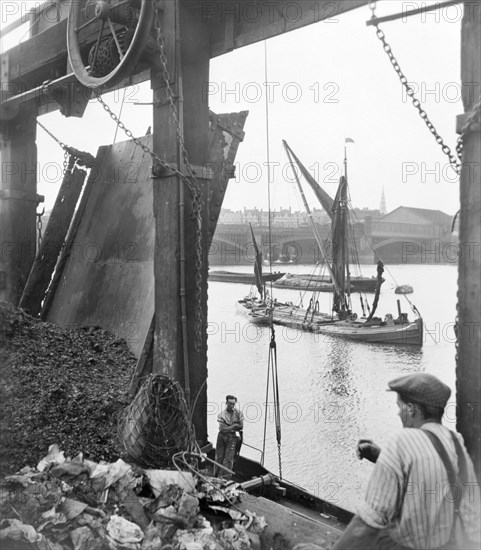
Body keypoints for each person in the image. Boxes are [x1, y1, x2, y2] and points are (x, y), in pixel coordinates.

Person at [333, 373, 480, 550]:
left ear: (411, 409)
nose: (398, 413)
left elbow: (368, 522)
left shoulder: (401, 441)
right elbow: (473, 518)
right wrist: (382, 457)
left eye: (399, 407)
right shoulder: (456, 443)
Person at [214, 394, 244, 479]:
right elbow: (223, 429)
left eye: (233, 404)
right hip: (222, 436)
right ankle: (216, 475)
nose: (232, 405)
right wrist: (234, 425)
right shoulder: (221, 415)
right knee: (219, 457)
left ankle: (226, 478)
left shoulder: (238, 413)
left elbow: (241, 426)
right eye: (230, 403)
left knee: (229, 459)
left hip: (232, 437)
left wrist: (229, 427)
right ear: (226, 403)